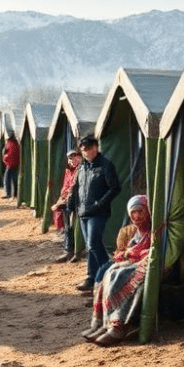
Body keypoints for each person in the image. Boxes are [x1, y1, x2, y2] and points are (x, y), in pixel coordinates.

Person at [81, 195, 151, 346]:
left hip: (144, 266)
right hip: (131, 262)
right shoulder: (133, 233)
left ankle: (118, 326)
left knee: (119, 276)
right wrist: (128, 254)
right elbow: (123, 252)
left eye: (140, 212)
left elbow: (151, 253)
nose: (136, 216)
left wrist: (133, 253)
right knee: (108, 273)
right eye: (133, 213)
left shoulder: (154, 232)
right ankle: (103, 323)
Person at [68, 134, 121, 292]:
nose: (86, 152)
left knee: (93, 244)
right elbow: (76, 187)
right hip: (83, 211)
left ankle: (108, 272)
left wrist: (99, 204)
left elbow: (115, 188)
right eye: (83, 150)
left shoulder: (106, 164)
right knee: (90, 246)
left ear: (96, 147)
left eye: (89, 149)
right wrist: (72, 205)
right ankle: (92, 278)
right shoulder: (82, 166)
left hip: (98, 213)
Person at [51, 148, 83, 263]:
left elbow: (73, 189)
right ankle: (68, 250)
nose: (73, 160)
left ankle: (73, 251)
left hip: (76, 202)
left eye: (75, 157)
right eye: (70, 158)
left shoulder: (81, 170)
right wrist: (60, 201)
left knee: (72, 227)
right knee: (68, 228)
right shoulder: (68, 171)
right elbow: (65, 188)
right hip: (67, 202)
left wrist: (62, 203)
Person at [2, 132, 20, 199]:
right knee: (14, 179)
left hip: (10, 164)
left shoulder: (10, 144)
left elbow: (9, 154)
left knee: (7, 179)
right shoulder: (16, 144)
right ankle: (15, 194)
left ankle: (8, 193)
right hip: (16, 164)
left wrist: (5, 159)